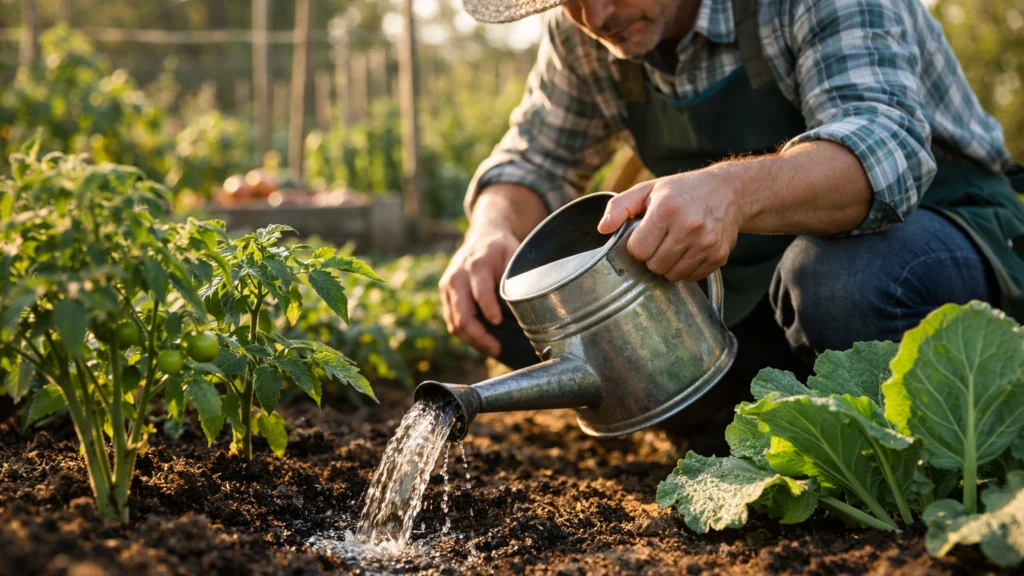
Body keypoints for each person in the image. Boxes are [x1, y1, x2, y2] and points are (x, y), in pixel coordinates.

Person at [438, 0, 1024, 451]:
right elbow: (535, 159)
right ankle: (735, 413)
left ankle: (929, 438)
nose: (597, 15)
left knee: (839, 285)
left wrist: (731, 191)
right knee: (516, 304)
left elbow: (884, 149)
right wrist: (489, 229)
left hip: (939, 228)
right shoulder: (589, 33)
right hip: (751, 273)